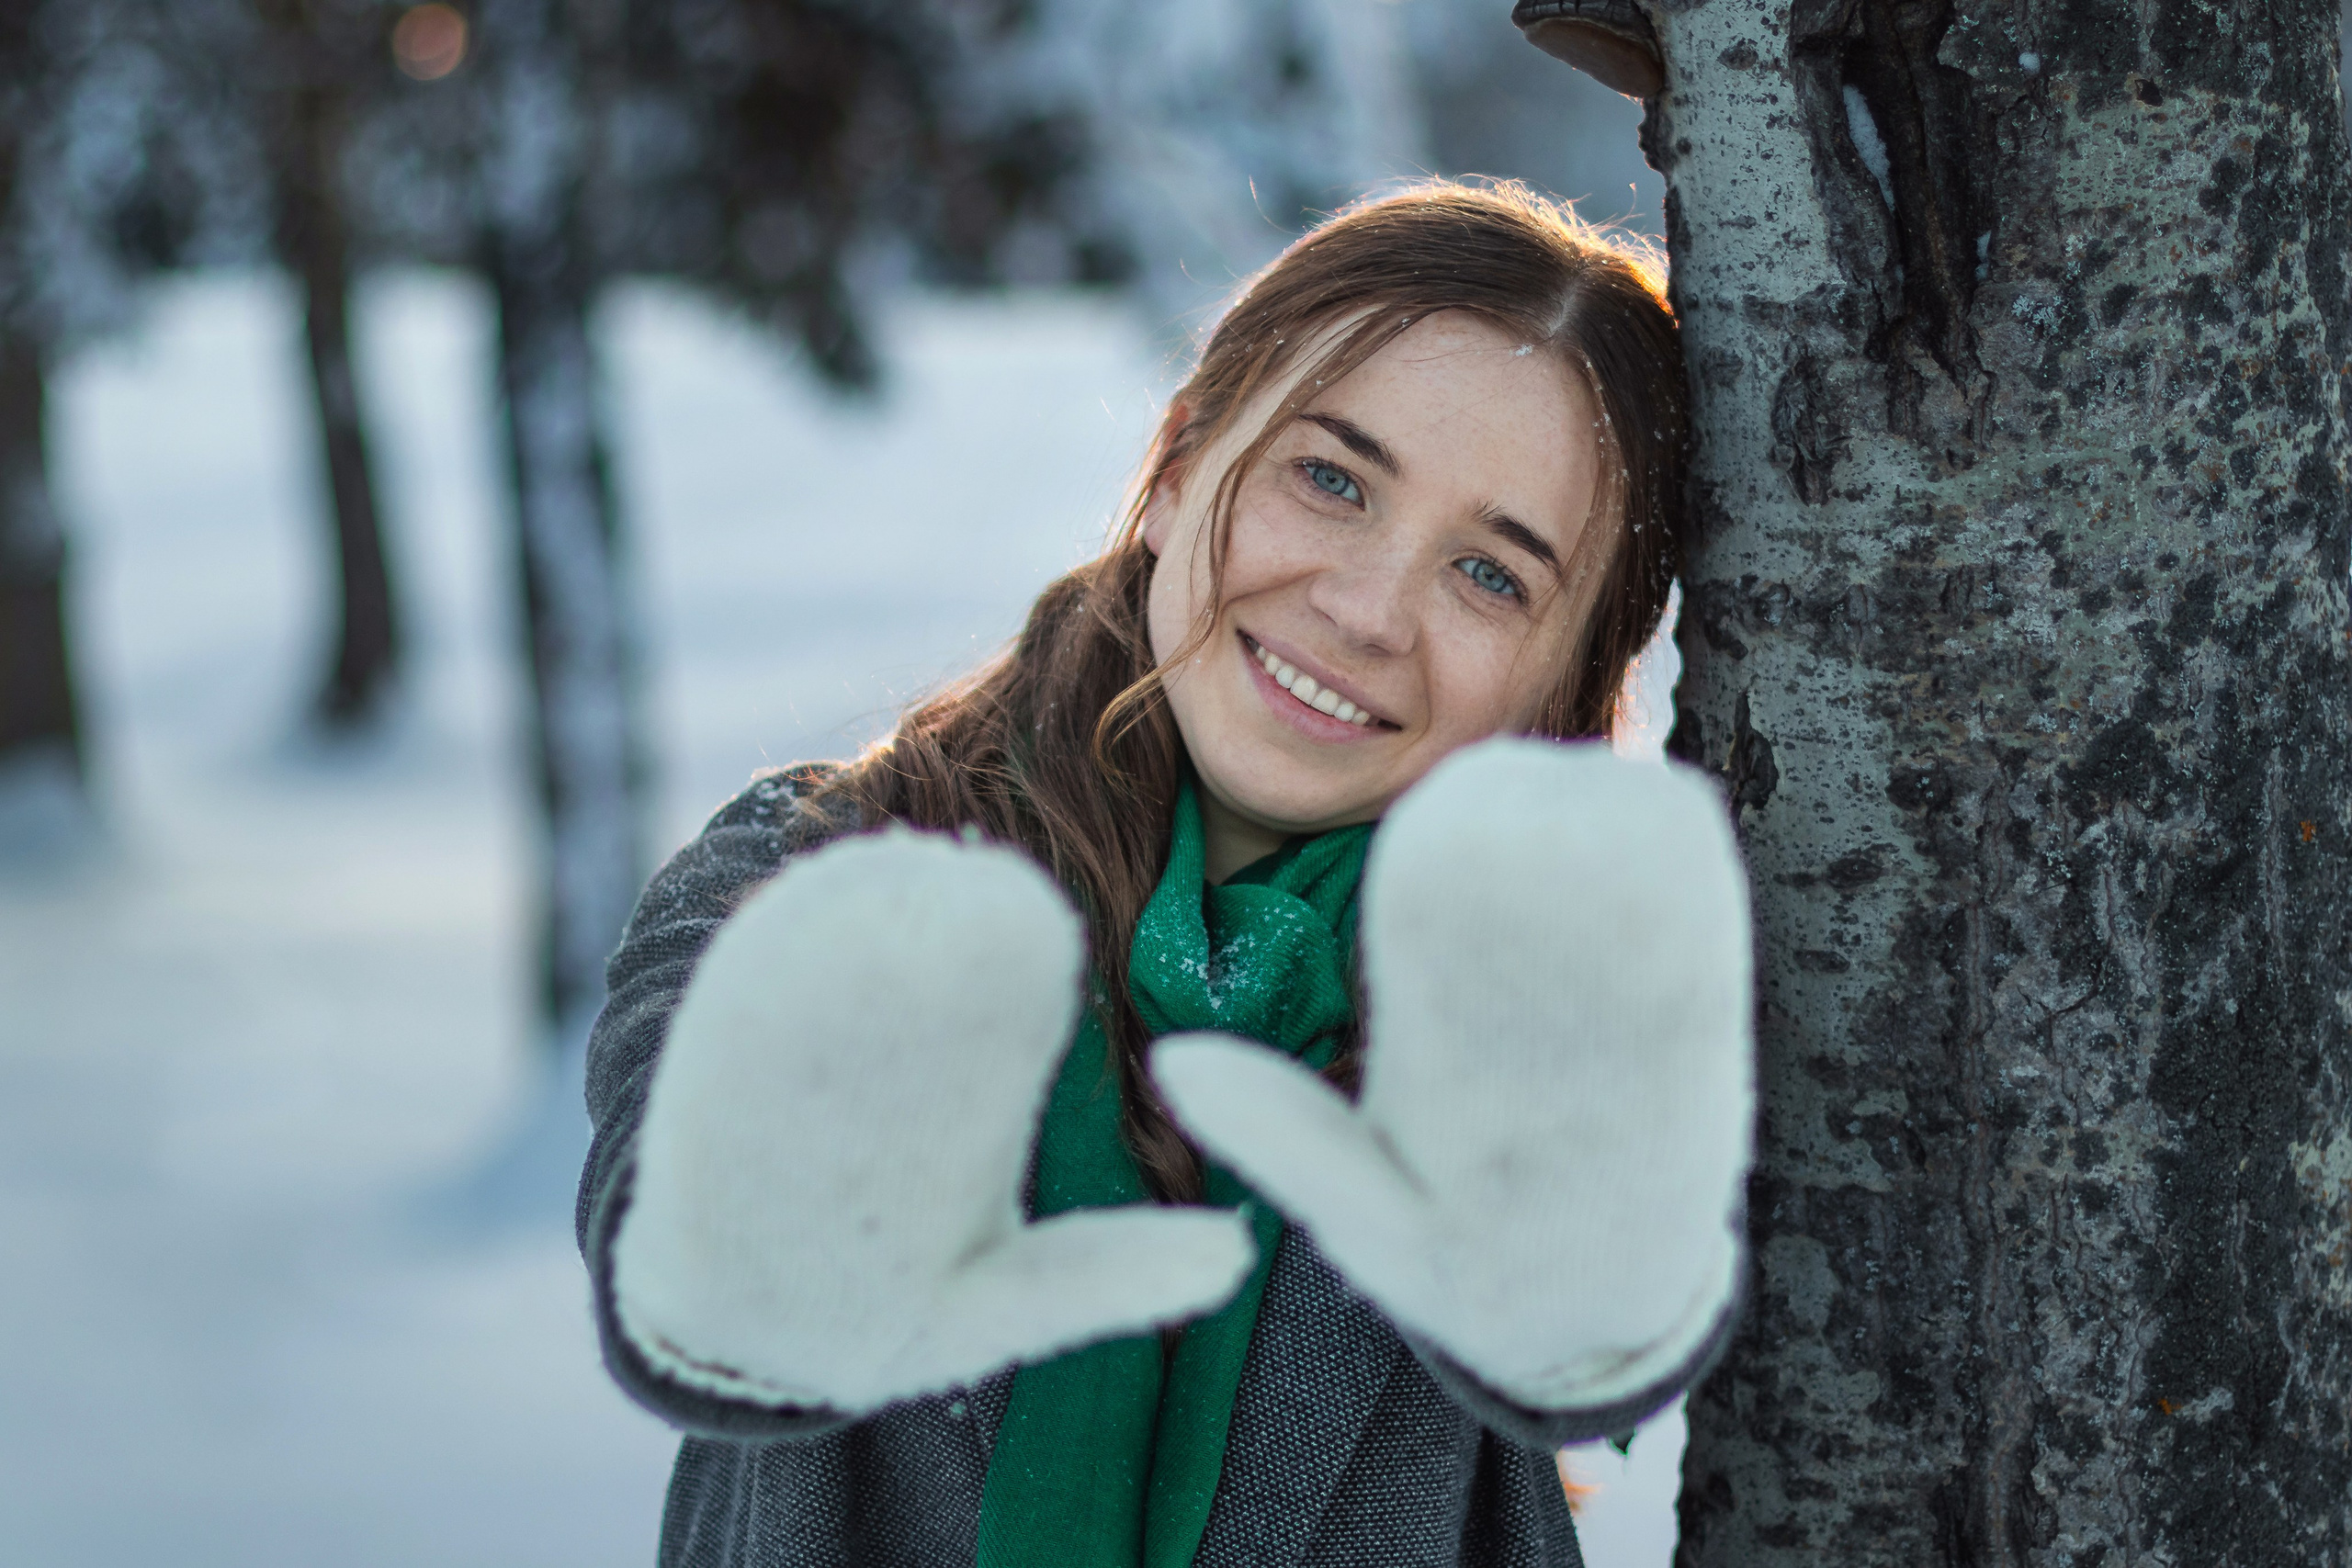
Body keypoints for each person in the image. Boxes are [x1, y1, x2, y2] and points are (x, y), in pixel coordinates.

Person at [578, 180, 1755, 1568]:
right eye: (1333, 479)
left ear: (1563, 692)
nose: (1367, 612)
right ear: (1185, 461)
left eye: (1490, 577)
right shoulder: (812, 878)